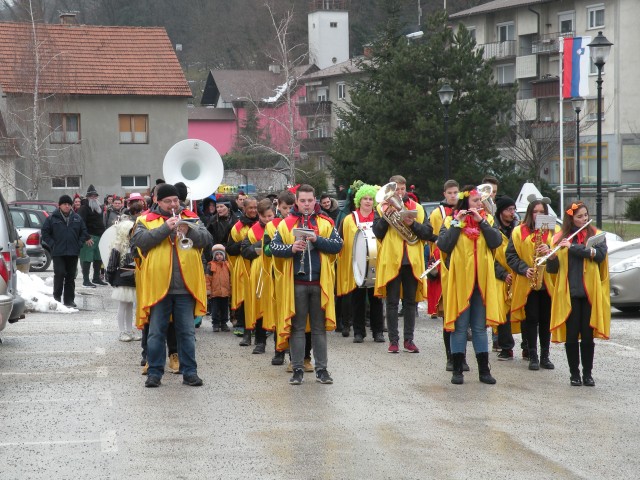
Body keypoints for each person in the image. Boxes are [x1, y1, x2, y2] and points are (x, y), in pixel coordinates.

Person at [131, 183, 212, 388]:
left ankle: (190, 372)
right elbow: (141, 241)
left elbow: (207, 239)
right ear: (158, 202)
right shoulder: (145, 220)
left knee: (186, 331)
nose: (173, 204)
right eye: (168, 201)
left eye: (176, 200)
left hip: (184, 286)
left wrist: (188, 230)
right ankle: (155, 372)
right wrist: (165, 228)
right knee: (156, 331)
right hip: (159, 287)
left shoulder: (191, 217)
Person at [271, 184, 343, 385]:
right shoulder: (286, 223)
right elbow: (274, 247)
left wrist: (317, 239)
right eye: (302, 201)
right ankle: (297, 370)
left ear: (315, 201)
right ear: (297, 201)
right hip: (297, 283)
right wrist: (291, 248)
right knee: (297, 328)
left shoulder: (325, 221)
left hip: (320, 283)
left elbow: (338, 246)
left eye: (310, 200)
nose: (306, 204)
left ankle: (322, 369)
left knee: (319, 329)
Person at [437, 185, 504, 385]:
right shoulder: (450, 220)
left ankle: (484, 370)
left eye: (480, 201)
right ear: (466, 202)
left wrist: (481, 222)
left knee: (480, 328)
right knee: (459, 327)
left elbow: (496, 242)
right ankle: (457, 369)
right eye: (475, 201)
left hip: (481, 282)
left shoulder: (488, 220)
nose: (479, 204)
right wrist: (458, 224)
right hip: (460, 282)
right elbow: (444, 245)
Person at [547, 202, 609, 387]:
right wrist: (551, 258)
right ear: (571, 219)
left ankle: (588, 374)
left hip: (590, 292)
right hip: (570, 292)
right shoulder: (560, 237)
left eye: (585, 215)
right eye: (579, 216)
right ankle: (574, 374)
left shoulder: (597, 235)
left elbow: (599, 256)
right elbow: (553, 270)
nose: (584, 219)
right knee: (572, 335)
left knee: (588, 336)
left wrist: (573, 247)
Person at [373, 175, 432, 354]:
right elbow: (378, 232)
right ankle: (393, 341)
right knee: (391, 302)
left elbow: (428, 232)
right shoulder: (382, 208)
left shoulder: (418, 209)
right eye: (395, 189)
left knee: (410, 302)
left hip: (412, 261)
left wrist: (412, 223)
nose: (399, 192)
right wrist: (385, 218)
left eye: (401, 189)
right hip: (392, 260)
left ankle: (409, 340)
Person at [507, 199, 557, 371]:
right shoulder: (518, 231)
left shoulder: (553, 231)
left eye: (542, 212)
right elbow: (511, 256)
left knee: (545, 320)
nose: (539, 215)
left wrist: (550, 251)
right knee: (531, 319)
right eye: (535, 212)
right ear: (530, 213)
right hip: (528, 281)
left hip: (548, 283)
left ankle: (545, 356)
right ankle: (532, 355)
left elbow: (561, 257)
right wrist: (524, 269)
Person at [337, 183, 385, 343]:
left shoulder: (379, 218)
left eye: (370, 199)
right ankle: (358, 332)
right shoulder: (349, 219)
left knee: (376, 299)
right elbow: (341, 240)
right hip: (356, 265)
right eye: (364, 198)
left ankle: (378, 331)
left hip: (376, 264)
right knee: (357, 300)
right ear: (359, 200)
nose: (368, 202)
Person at [427, 179, 460, 370]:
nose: (453, 196)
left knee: (464, 318)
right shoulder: (438, 214)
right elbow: (436, 238)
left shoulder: (472, 214)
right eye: (450, 193)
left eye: (456, 192)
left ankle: (460, 357)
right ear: (444, 194)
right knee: (448, 315)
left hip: (465, 267)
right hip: (444, 262)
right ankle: (451, 357)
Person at [262, 190, 297, 366]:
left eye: (291, 207)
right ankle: (279, 350)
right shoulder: (271, 226)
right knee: (278, 314)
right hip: (277, 275)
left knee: (293, 314)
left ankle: (295, 354)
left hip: (294, 275)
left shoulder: (299, 223)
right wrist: (283, 247)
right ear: (278, 207)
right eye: (285, 208)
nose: (288, 211)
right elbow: (267, 249)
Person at [41, 195, 90, 308]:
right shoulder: (52, 218)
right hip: (58, 252)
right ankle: (57, 298)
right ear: (60, 205)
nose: (67, 206)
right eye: (64, 204)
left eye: (69, 204)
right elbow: (45, 233)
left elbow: (83, 232)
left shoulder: (77, 218)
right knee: (59, 273)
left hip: (73, 252)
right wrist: (53, 244)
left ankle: (69, 300)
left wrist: (79, 244)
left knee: (70, 276)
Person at [239, 199, 275, 354]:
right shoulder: (252, 231)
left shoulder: (280, 227)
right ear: (259, 216)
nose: (268, 219)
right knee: (260, 306)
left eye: (270, 216)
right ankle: (260, 342)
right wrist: (261, 245)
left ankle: (282, 343)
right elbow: (245, 252)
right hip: (259, 272)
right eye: (265, 217)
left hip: (275, 270)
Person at [227, 197, 258, 341]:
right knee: (245, 296)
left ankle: (260, 325)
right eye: (250, 208)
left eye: (255, 207)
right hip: (243, 265)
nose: (253, 210)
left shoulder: (262, 223)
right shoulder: (237, 227)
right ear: (244, 209)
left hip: (259, 264)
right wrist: (244, 244)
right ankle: (244, 325)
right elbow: (230, 249)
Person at [493, 196, 519, 361]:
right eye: (509, 209)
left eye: (513, 209)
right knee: (503, 313)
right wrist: (503, 274)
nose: (512, 213)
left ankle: (527, 348)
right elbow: (489, 257)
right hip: (502, 277)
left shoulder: (518, 229)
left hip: (519, 274)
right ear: (501, 212)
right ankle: (505, 347)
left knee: (522, 311)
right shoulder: (493, 230)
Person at [105, 219, 139, 342]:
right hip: (123, 279)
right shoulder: (118, 245)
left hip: (133, 278)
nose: (133, 232)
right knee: (123, 306)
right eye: (131, 230)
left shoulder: (134, 244)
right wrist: (112, 279)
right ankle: (121, 332)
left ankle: (129, 331)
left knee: (130, 306)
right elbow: (112, 264)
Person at [77, 184, 107, 287]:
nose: (94, 198)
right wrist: (86, 237)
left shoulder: (98, 208)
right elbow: (81, 224)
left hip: (99, 237)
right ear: (88, 197)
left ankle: (96, 278)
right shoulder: (83, 208)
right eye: (91, 196)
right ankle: (86, 280)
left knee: (98, 259)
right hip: (89, 237)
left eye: (95, 196)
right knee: (87, 259)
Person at [206, 244, 231, 332]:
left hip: (225, 292)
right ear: (214, 256)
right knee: (215, 309)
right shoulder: (210, 265)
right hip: (215, 292)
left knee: (225, 309)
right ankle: (215, 323)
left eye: (220, 254)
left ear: (223, 255)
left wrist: (231, 290)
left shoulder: (227, 265)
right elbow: (208, 279)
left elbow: (230, 278)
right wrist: (208, 290)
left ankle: (224, 323)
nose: (219, 256)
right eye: (217, 254)